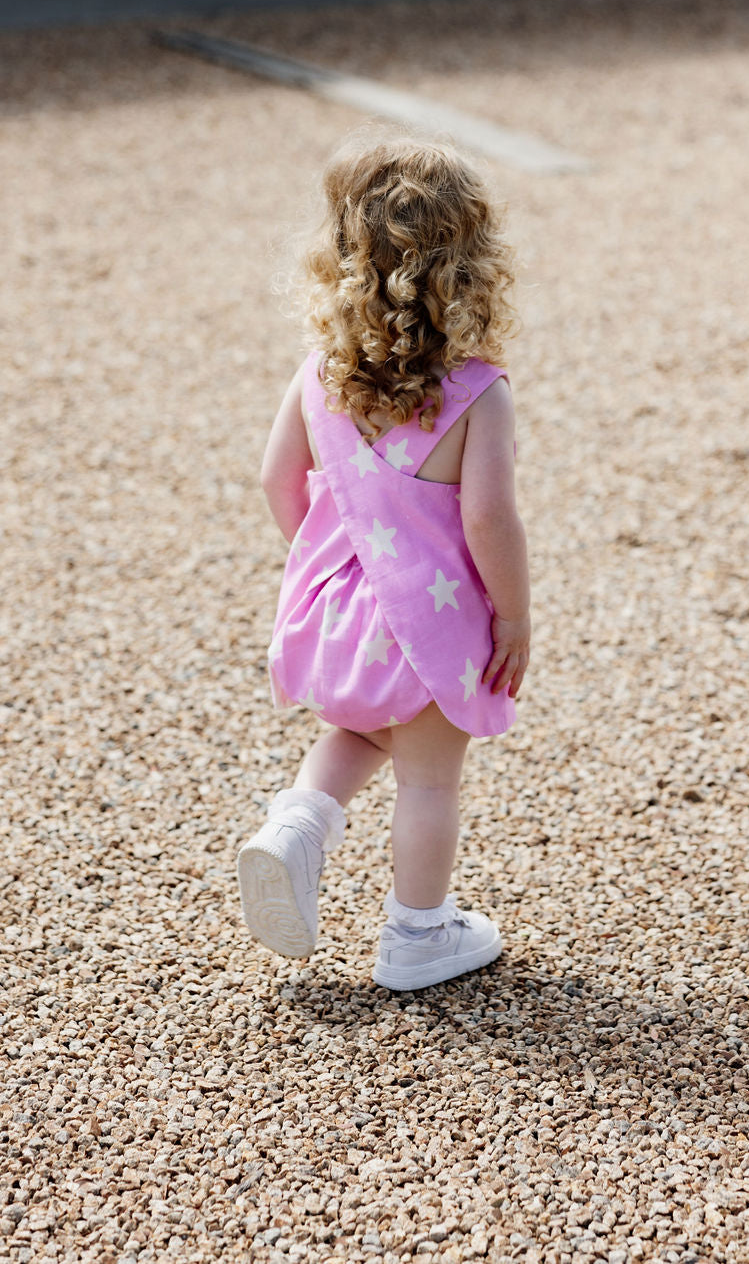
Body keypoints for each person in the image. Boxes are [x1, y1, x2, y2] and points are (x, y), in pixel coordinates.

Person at [236, 137, 530, 991]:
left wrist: (324, 562)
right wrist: (512, 614)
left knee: (358, 727)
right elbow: (488, 517)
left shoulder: (319, 375)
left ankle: (293, 829)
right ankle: (418, 936)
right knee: (429, 779)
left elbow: (274, 477)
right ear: (470, 266)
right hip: (429, 628)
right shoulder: (478, 391)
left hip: (336, 612)